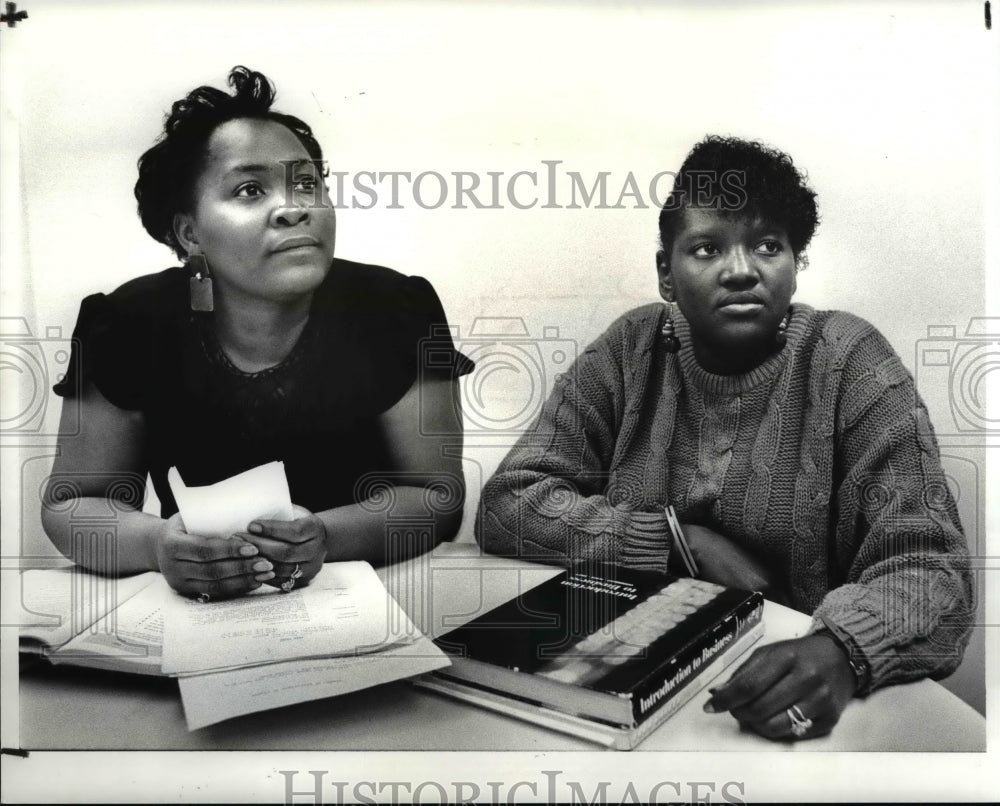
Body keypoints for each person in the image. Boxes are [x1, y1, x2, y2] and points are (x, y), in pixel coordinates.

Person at [476, 136, 974, 741]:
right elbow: (508, 504)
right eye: (708, 248)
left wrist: (844, 652)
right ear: (667, 273)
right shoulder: (630, 349)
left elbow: (932, 570)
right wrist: (676, 542)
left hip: (789, 674)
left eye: (768, 245)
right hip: (634, 653)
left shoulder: (851, 362)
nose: (741, 270)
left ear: (796, 264)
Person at [42, 66, 472, 600]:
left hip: (376, 598)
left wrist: (325, 536)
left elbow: (437, 495)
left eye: (307, 183)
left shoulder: (393, 310)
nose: (295, 208)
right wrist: (156, 545)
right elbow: (71, 505)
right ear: (189, 232)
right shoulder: (130, 324)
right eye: (249, 189)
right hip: (200, 609)